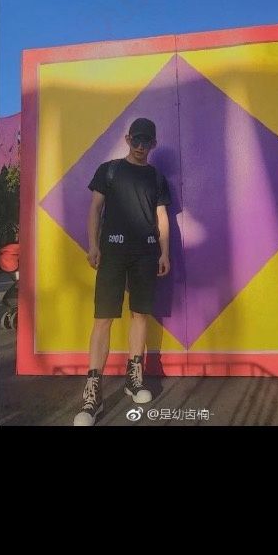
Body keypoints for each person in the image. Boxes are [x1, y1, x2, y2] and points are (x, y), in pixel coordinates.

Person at [74, 118, 172, 426]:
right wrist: (93, 245)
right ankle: (93, 394)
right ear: (128, 139)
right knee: (103, 319)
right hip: (112, 253)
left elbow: (161, 216)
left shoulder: (156, 177)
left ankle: (134, 378)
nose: (141, 147)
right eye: (137, 140)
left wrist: (164, 252)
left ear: (153, 144)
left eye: (147, 142)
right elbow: (95, 209)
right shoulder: (109, 170)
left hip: (146, 253)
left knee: (140, 315)